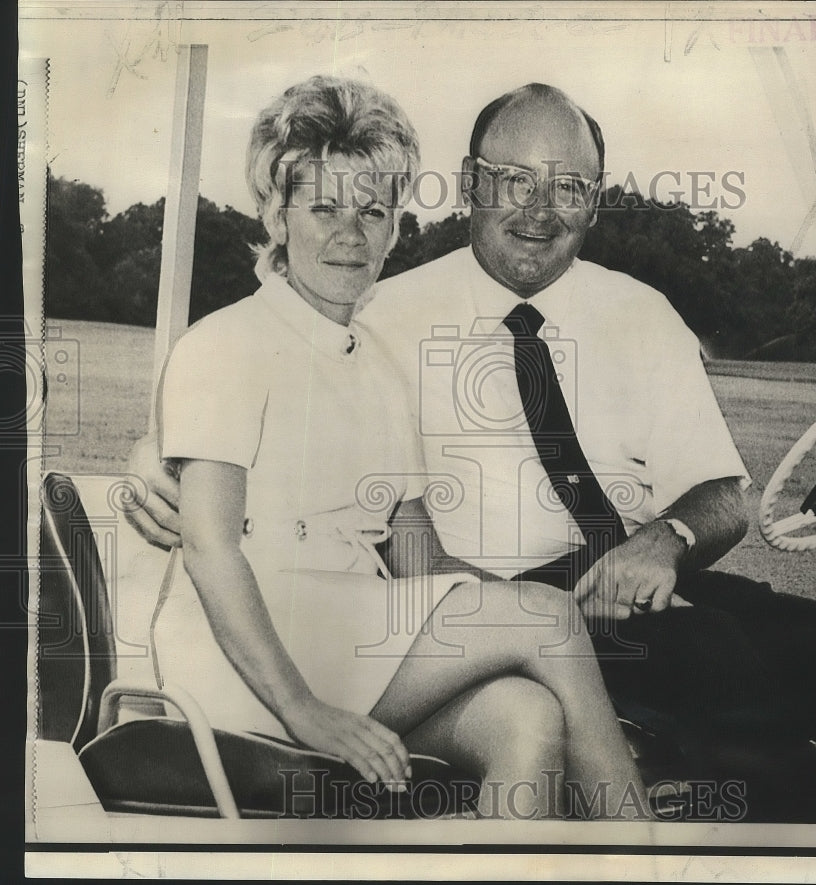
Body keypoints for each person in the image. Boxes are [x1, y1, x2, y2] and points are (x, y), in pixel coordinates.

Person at [130, 82, 816, 822]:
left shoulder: (644, 314)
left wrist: (664, 542)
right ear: (468, 186)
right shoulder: (377, 310)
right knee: (718, 664)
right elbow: (250, 391)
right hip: (488, 598)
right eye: (513, 181)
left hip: (652, 583)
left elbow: (722, 493)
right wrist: (154, 457)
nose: (540, 208)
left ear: (596, 201)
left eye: (569, 185)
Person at [149, 75, 650, 822]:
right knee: (544, 620)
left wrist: (548, 607)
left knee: (528, 715)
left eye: (373, 210)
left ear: (395, 228)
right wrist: (305, 710)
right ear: (276, 216)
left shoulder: (375, 366)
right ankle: (644, 857)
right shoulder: (226, 345)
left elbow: (425, 562)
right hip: (243, 661)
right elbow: (211, 551)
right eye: (323, 207)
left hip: (348, 639)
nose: (350, 234)